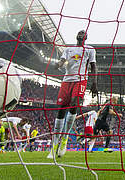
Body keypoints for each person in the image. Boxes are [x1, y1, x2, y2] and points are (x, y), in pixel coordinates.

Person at [47, 30, 97, 158]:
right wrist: (56, 65)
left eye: (83, 33)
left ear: (86, 37)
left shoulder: (90, 50)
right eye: (79, 32)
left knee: (74, 104)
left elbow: (93, 66)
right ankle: (55, 143)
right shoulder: (68, 49)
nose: (81, 33)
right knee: (61, 111)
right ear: (76, 36)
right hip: (66, 80)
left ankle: (65, 138)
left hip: (80, 80)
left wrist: (94, 82)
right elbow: (62, 61)